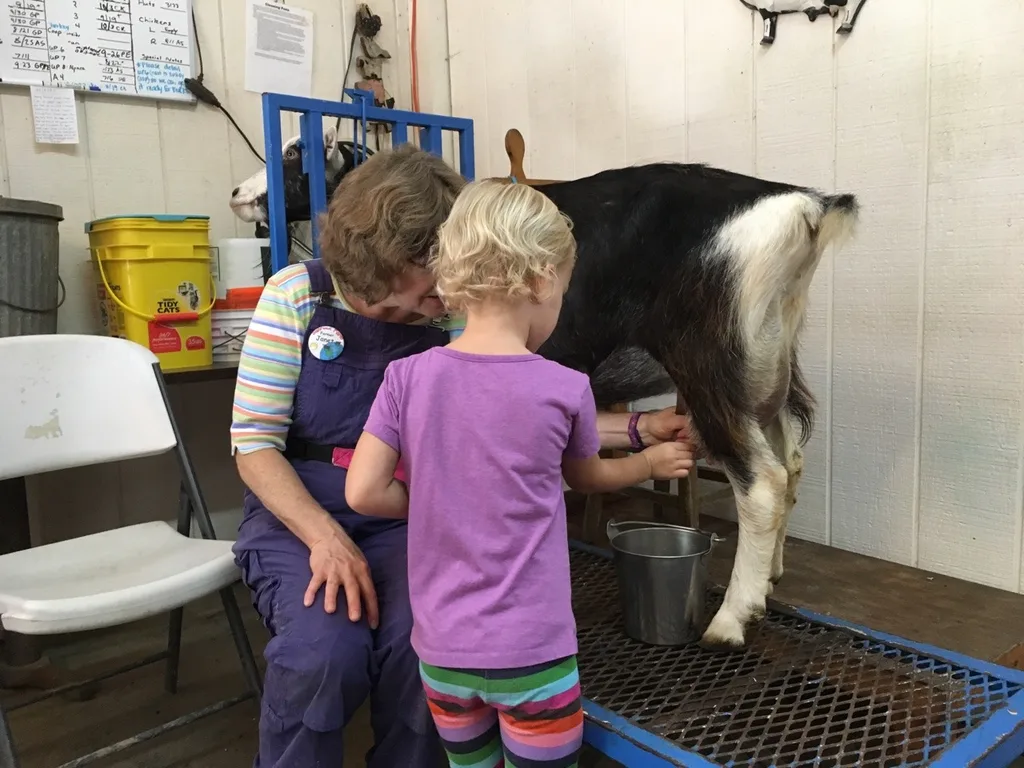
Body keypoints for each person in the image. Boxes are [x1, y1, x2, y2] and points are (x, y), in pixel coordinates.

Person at [230, 145, 693, 768]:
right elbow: (253, 443)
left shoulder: (447, 319)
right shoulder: (296, 296)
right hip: (301, 512)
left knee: (418, 644)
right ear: (387, 261)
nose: (446, 295)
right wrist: (324, 538)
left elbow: (517, 412)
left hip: (411, 514)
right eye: (434, 279)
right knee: (322, 651)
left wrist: (640, 428)